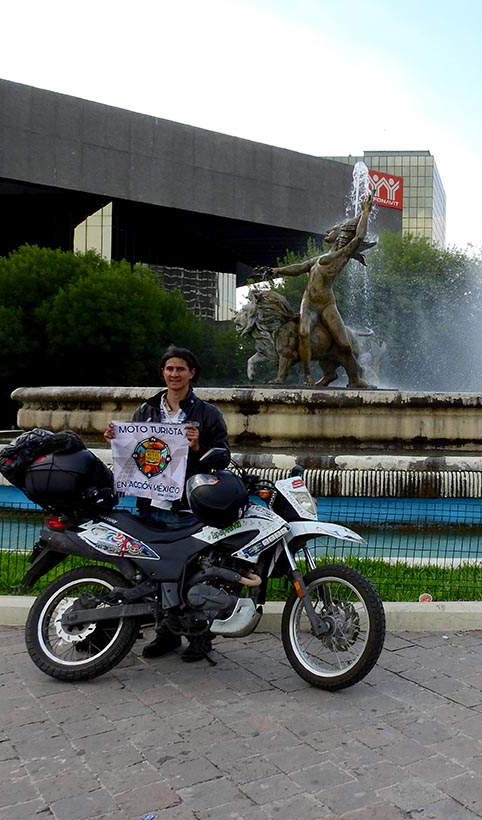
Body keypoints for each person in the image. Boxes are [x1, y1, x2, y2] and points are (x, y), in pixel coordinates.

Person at [103, 345, 229, 662]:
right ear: (163, 373)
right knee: (155, 572)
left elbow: (223, 456)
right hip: (150, 505)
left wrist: (198, 446)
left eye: (180, 369)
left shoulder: (207, 414)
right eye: (169, 369)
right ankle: (167, 634)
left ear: (191, 373)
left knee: (194, 572)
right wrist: (116, 439)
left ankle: (200, 638)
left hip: (188, 505)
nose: (174, 374)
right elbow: (134, 453)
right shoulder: (145, 412)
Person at [256, 196, 374, 387]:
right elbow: (300, 267)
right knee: (303, 332)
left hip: (327, 304)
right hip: (309, 303)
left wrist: (365, 212)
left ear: (342, 234)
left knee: (344, 345)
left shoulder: (341, 256)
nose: (328, 231)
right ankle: (308, 376)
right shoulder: (319, 259)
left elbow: (359, 237)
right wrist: (277, 271)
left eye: (333, 230)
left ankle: (355, 379)